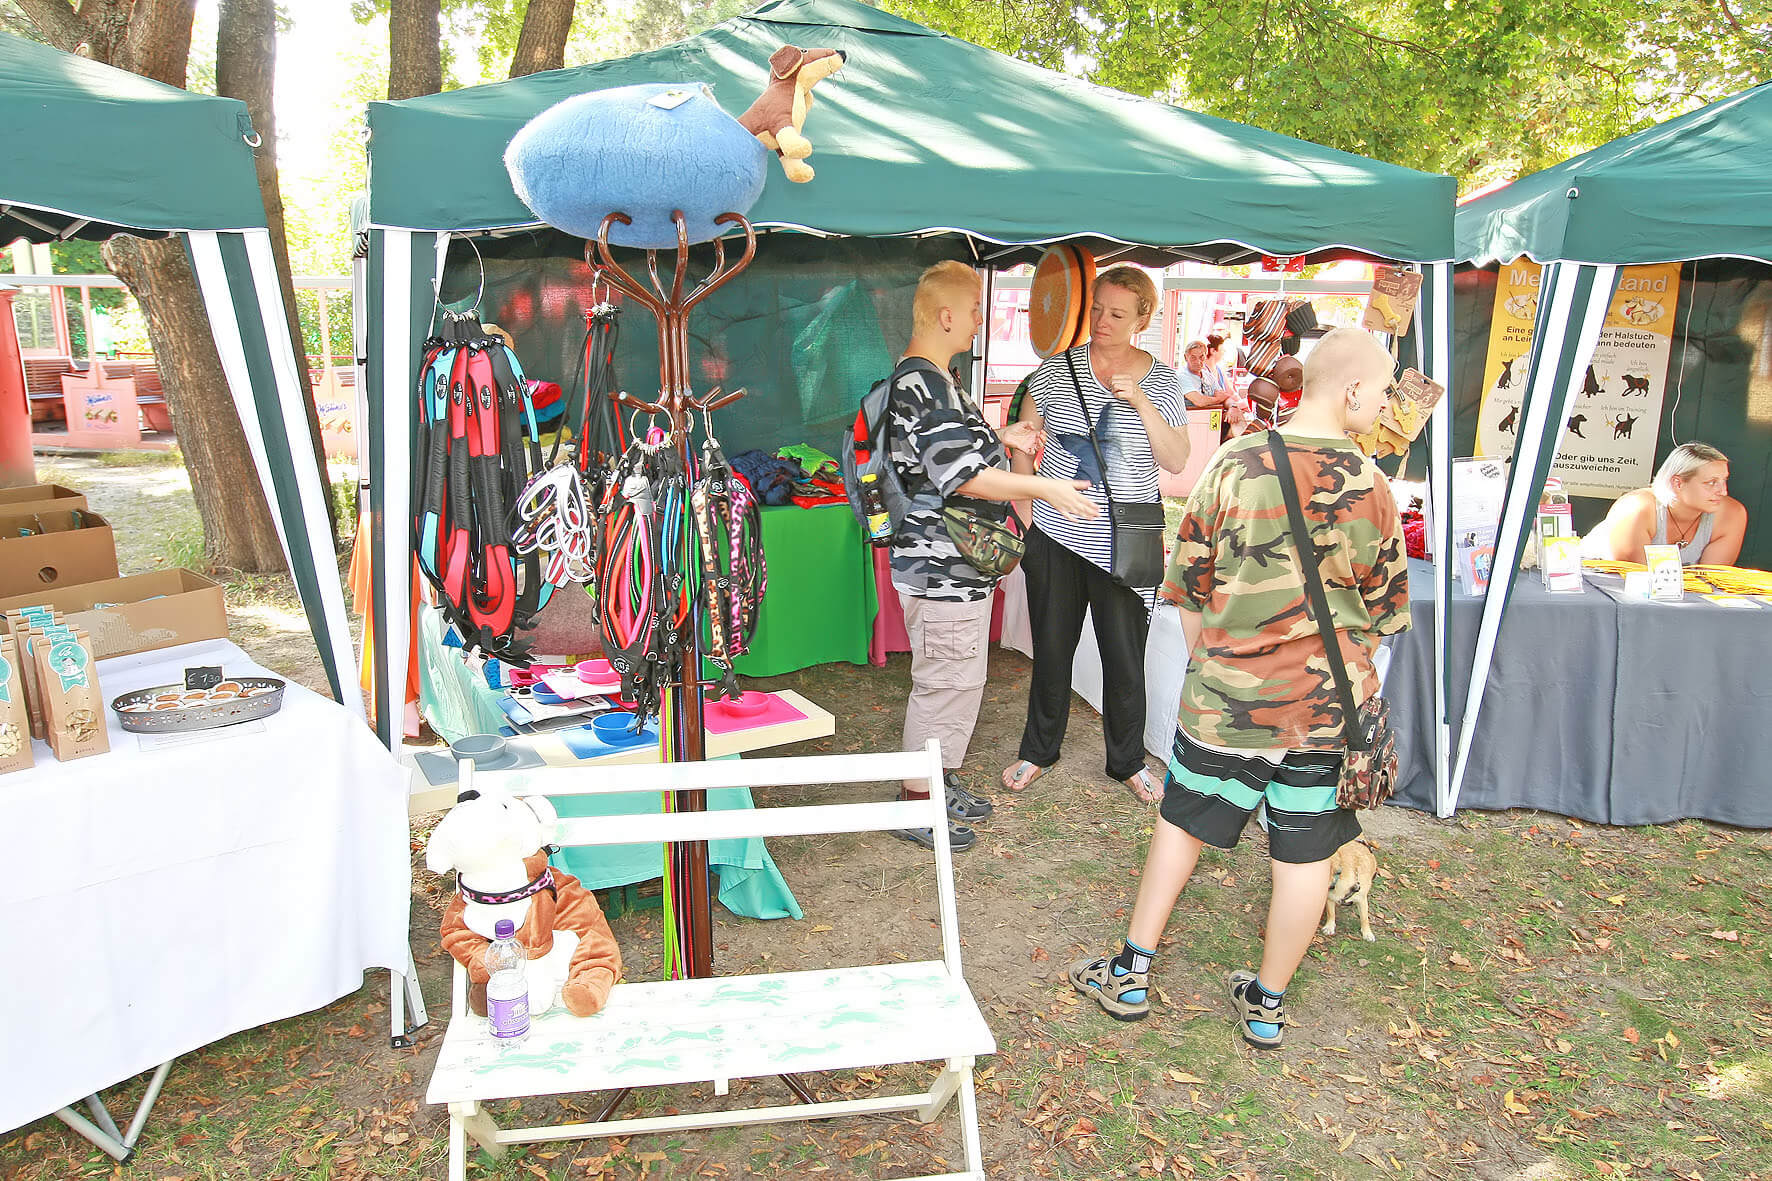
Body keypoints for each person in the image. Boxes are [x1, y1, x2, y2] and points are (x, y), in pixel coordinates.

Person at [1068, 326, 1411, 1047]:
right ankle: (1267, 1005)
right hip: (1326, 713)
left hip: (1229, 701)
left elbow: (1189, 586)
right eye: (1382, 390)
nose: (1385, 405)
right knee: (1304, 854)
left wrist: (1219, 670)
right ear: (1352, 389)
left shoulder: (1235, 462)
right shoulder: (1375, 486)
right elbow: (1383, 615)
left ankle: (1130, 974)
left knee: (1181, 826)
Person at [885, 260, 1099, 851]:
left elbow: (938, 453)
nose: (981, 320)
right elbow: (964, 477)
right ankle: (917, 802)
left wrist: (1002, 438)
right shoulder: (924, 384)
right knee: (944, 684)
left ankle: (936, 781)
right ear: (946, 315)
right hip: (942, 567)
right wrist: (1046, 487)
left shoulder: (935, 379)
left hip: (954, 564)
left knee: (957, 681)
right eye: (976, 309)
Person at [1000, 265, 1191, 803]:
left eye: (1117, 314)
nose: (1103, 321)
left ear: (1142, 320)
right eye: (1098, 309)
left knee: (1125, 659)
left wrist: (1141, 402)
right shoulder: (1052, 372)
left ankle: (1127, 761)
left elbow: (1177, 459)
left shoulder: (1163, 380)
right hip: (1056, 536)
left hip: (1127, 542)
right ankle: (1039, 750)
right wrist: (1028, 511)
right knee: (1051, 651)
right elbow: (1025, 445)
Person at [1582, 442, 1745, 566]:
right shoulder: (1637, 507)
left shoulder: (1731, 514)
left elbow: (1709, 581)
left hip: (1672, 594)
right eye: (1711, 482)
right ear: (1677, 483)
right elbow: (1636, 578)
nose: (1723, 491)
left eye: (1724, 480)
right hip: (1592, 586)